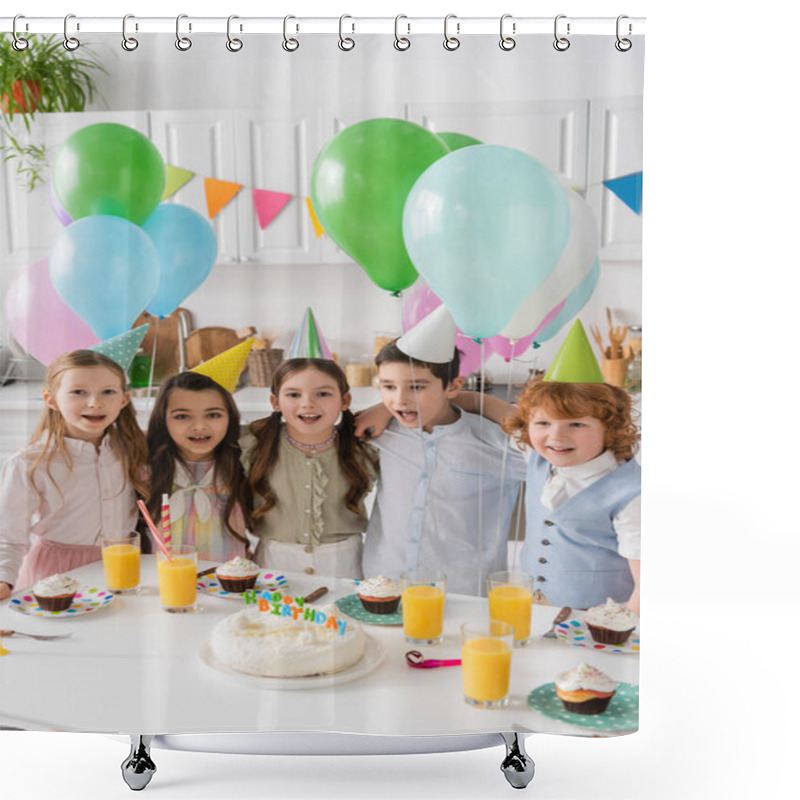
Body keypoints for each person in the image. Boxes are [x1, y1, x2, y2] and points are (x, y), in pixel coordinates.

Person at [362, 339, 525, 596]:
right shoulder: (379, 433)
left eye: (417, 387)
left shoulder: (496, 442)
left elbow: (546, 442)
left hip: (465, 591)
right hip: (383, 583)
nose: (400, 399)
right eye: (388, 387)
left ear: (453, 386)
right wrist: (381, 409)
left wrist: (476, 399)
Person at [0, 350, 147, 597]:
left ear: (123, 399)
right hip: (56, 572)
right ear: (51, 399)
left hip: (122, 566)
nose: (94, 403)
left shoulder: (133, 450)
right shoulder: (28, 463)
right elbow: (8, 536)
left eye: (108, 392)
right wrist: (3, 579)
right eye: (79, 392)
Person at [503, 377, 641, 614]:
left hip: (598, 622)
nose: (556, 436)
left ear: (609, 429)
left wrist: (621, 632)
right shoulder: (536, 457)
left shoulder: (632, 493)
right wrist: (468, 400)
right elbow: (503, 415)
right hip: (533, 608)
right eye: (544, 423)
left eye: (576, 424)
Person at [242, 358, 378, 578]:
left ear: (345, 400)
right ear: (275, 402)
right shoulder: (251, 443)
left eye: (323, 394)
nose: (308, 404)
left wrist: (384, 409)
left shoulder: (365, 447)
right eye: (293, 394)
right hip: (274, 562)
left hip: (345, 563)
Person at [143, 371, 252, 561]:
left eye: (213, 415)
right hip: (165, 583)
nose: (199, 426)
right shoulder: (145, 469)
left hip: (230, 584)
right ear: (163, 420)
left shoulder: (243, 465)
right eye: (182, 416)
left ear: (230, 417)